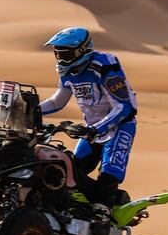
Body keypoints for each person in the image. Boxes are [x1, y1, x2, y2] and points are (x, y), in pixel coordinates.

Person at [37, 26, 137, 209]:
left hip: (119, 128)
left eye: (65, 54)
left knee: (108, 174)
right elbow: (57, 102)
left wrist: (93, 130)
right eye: (57, 53)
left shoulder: (104, 65)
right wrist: (29, 109)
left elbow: (124, 107)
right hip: (92, 130)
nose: (60, 59)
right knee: (72, 171)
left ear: (81, 51)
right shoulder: (69, 73)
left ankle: (104, 215)